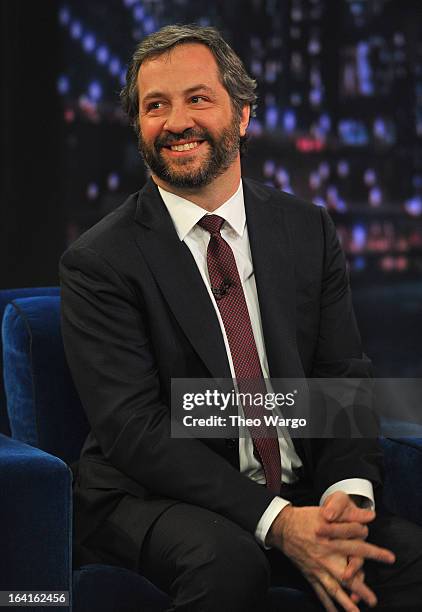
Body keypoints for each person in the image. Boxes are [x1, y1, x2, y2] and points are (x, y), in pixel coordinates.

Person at [60, 24, 422, 612]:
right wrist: (280, 524)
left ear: (244, 114)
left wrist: (346, 499)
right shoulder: (98, 261)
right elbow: (136, 429)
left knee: (403, 560)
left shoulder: (308, 228)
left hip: (300, 491)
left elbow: (339, 377)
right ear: (139, 127)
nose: (177, 121)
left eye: (198, 98)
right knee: (229, 565)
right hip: (156, 498)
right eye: (156, 106)